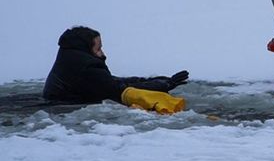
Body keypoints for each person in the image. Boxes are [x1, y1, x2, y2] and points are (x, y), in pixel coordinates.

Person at [43, 26, 188, 113]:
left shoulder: (71, 59)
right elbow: (117, 89)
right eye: (98, 49)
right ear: (86, 49)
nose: (103, 54)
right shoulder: (87, 68)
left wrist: (153, 81)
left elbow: (111, 82)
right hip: (66, 111)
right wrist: (163, 85)